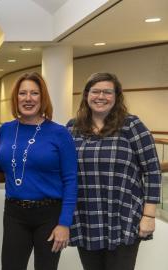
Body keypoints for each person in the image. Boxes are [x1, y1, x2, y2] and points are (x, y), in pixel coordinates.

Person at [67, 72, 161, 270]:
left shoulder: (132, 126)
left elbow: (152, 171)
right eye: (95, 91)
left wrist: (149, 216)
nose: (101, 96)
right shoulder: (72, 128)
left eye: (107, 92)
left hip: (123, 217)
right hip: (86, 217)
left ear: (117, 96)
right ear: (86, 95)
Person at [0, 72, 77, 270]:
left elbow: (71, 180)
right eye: (23, 93)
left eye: (34, 93)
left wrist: (64, 223)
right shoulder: (6, 129)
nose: (28, 98)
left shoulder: (59, 133)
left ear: (42, 97)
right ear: (16, 98)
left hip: (49, 215)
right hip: (14, 214)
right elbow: (2, 162)